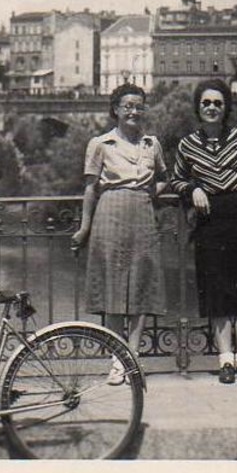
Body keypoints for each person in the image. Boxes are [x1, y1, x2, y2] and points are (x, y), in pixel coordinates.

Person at [171, 79, 237, 385]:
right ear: (198, 108)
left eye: (217, 103)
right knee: (216, 290)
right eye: (206, 103)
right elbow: (176, 180)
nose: (212, 108)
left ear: (225, 108)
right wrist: (192, 189)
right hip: (210, 222)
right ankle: (224, 360)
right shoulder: (187, 145)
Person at [72, 83, 170, 385]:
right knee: (114, 287)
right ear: (115, 109)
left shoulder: (151, 144)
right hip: (109, 212)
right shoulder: (100, 143)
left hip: (142, 212)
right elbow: (90, 188)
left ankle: (133, 356)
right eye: (127, 105)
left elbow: (164, 178)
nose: (134, 111)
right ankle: (117, 359)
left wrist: (148, 194)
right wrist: (85, 226)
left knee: (140, 284)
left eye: (139, 106)